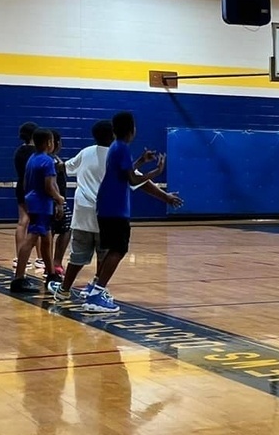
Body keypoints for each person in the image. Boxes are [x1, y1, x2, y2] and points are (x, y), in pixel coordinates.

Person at [50, 120, 182, 302]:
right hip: (106, 212)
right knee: (106, 254)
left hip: (83, 213)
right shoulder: (117, 153)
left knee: (77, 256)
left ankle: (64, 289)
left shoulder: (86, 152)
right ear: (113, 134)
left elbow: (63, 167)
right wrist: (165, 196)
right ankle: (96, 290)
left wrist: (50, 156)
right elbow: (140, 182)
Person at [89, 111, 181, 313]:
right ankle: (96, 293)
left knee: (112, 248)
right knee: (118, 249)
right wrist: (156, 172)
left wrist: (141, 160)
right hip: (115, 207)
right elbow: (132, 180)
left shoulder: (116, 147)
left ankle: (94, 288)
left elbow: (126, 171)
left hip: (107, 205)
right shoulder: (121, 148)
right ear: (132, 130)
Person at [11, 129, 64, 293]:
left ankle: (51, 274)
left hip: (33, 200)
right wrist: (59, 199)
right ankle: (19, 278)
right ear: (49, 143)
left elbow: (26, 182)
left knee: (46, 238)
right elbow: (49, 186)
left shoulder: (32, 159)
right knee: (31, 239)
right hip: (42, 203)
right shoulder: (47, 161)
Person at [13, 121, 40, 268]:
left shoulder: (18, 151)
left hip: (20, 187)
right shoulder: (35, 152)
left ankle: (19, 256)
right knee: (38, 222)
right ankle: (41, 258)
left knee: (22, 221)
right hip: (33, 188)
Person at [49, 130, 72, 278]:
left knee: (62, 229)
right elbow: (51, 182)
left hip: (58, 199)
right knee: (62, 229)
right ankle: (53, 263)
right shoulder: (49, 161)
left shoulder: (55, 159)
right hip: (55, 200)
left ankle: (52, 262)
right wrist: (58, 201)